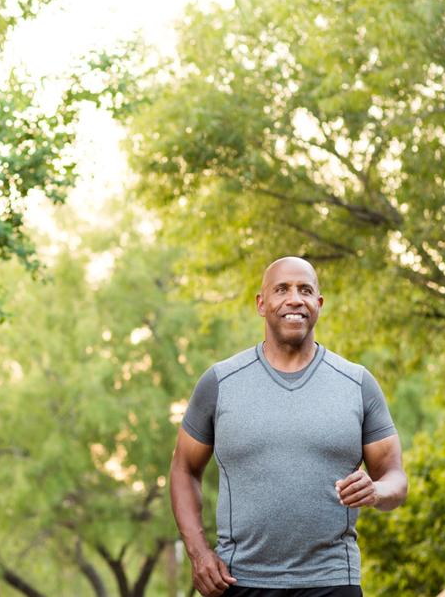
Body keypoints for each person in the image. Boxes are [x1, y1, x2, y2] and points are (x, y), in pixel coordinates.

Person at [169, 256, 408, 597]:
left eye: (305, 290)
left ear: (319, 304)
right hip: (241, 582)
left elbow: (395, 479)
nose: (295, 299)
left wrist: (376, 491)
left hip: (332, 581)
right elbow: (183, 469)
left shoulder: (356, 383)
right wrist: (198, 553)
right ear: (261, 304)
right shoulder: (220, 382)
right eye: (282, 289)